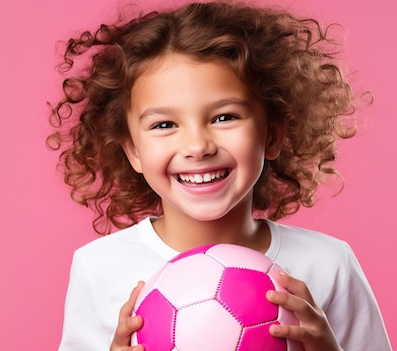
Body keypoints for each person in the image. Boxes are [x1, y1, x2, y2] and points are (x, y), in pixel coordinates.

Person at [48, 1, 392, 350]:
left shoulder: (328, 263)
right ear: (133, 150)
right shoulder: (99, 267)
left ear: (271, 135)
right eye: (164, 124)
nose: (197, 146)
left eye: (224, 117)